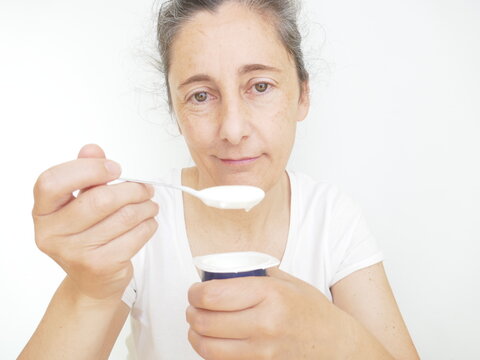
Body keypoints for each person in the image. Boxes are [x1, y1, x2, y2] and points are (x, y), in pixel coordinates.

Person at [19, 0, 420, 359]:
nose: (232, 129)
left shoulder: (331, 218)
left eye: (260, 86)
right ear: (175, 111)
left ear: (302, 95)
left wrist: (335, 338)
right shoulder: (137, 225)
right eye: (200, 95)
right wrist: (90, 289)